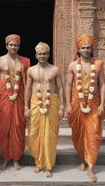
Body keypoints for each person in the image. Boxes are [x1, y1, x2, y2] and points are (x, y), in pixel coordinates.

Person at [65, 34, 105, 182]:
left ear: (92, 49)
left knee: (93, 133)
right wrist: (67, 104)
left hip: (94, 103)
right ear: (78, 49)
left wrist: (103, 104)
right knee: (78, 133)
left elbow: (102, 84)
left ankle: (90, 166)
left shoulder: (98, 64)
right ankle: (83, 159)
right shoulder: (72, 65)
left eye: (88, 47)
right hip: (76, 103)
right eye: (83, 47)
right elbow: (67, 85)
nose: (86, 50)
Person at [24, 42, 65, 178]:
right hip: (36, 102)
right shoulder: (31, 70)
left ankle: (48, 165)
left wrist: (62, 106)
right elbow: (28, 89)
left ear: (48, 54)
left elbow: (60, 88)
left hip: (51, 103)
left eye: (45, 53)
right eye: (40, 54)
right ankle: (38, 162)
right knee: (34, 133)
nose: (42, 56)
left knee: (49, 136)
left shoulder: (55, 70)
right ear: (36, 55)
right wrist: (25, 106)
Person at [0, 34, 30, 170]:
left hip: (19, 99)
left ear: (19, 46)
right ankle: (5, 158)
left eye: (16, 45)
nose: (13, 47)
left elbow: (27, 84)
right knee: (3, 129)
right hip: (3, 98)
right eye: (11, 45)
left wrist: (27, 104)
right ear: (6, 46)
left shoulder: (25, 61)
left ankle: (16, 158)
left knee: (18, 128)